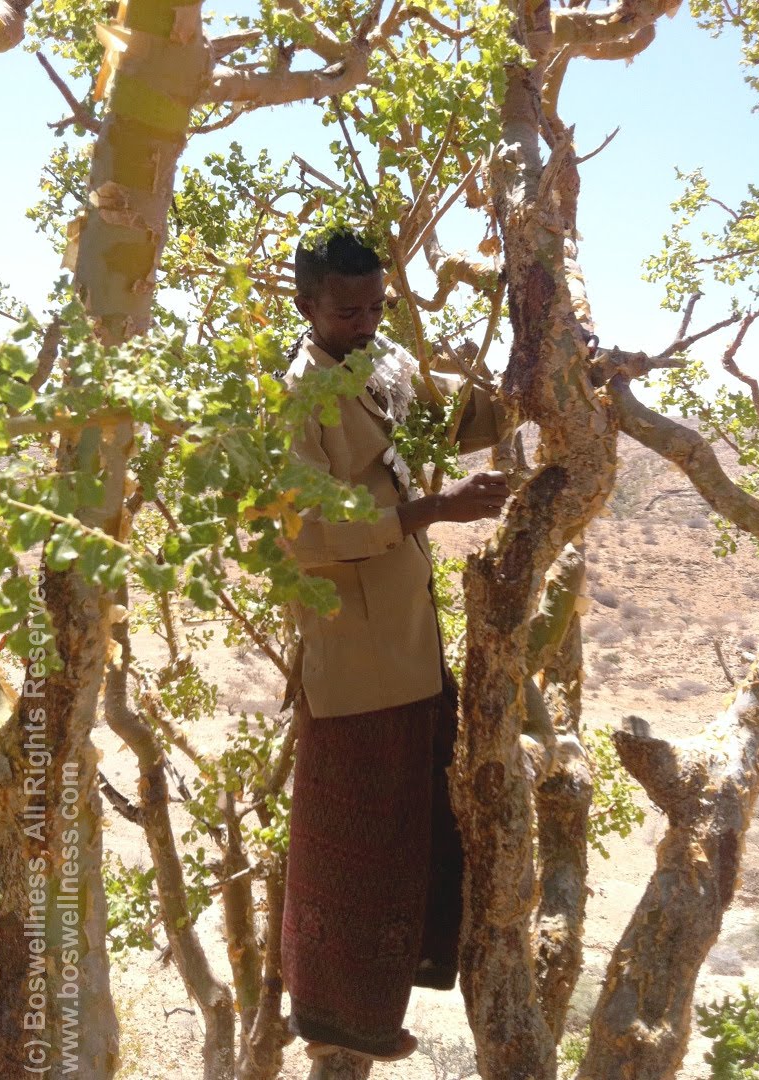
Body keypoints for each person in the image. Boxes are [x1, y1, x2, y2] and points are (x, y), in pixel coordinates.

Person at [280, 231, 510, 1066]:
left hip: (412, 646)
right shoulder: (296, 399)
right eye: (349, 310)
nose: (368, 322)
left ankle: (390, 998)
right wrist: (431, 512)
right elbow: (302, 535)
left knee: (410, 832)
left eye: (377, 305)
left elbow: (465, 412)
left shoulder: (387, 366)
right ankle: (339, 1016)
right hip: (352, 661)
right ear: (306, 306)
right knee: (348, 844)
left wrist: (551, 373)